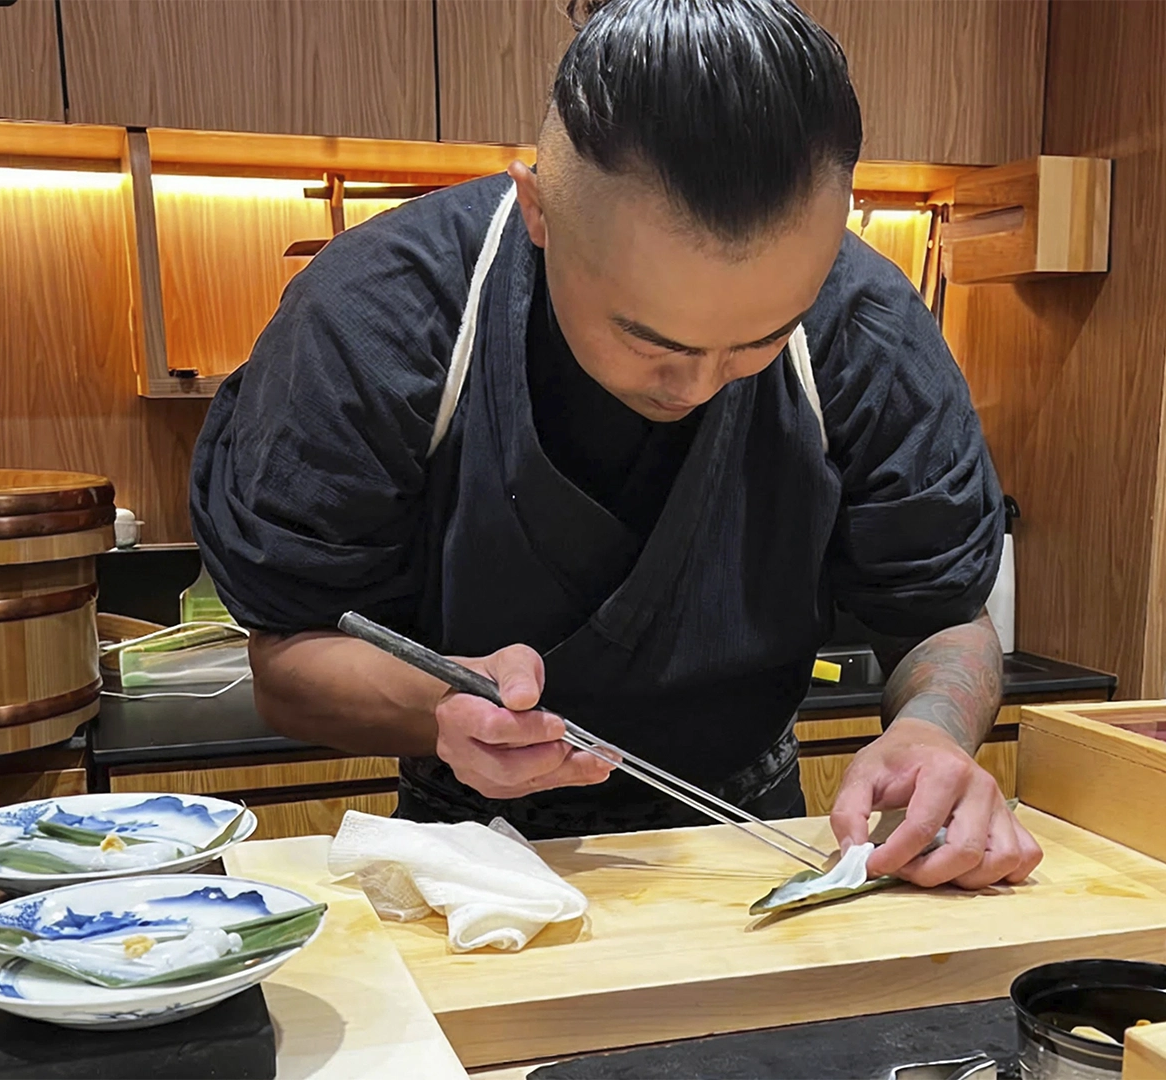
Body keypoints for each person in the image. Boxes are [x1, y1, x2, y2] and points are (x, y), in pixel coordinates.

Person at [189, 0, 1042, 890]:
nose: (701, 384)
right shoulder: (377, 317)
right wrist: (438, 703)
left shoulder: (863, 324)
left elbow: (942, 615)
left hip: (754, 828)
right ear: (539, 208)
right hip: (466, 847)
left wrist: (932, 734)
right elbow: (286, 661)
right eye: (652, 340)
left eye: (759, 338)